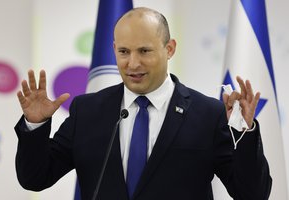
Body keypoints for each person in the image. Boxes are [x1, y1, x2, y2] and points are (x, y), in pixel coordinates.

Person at [15, 7, 272, 200]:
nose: (133, 64)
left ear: (169, 48)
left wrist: (244, 131)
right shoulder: (87, 111)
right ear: (114, 48)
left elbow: (252, 194)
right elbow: (36, 178)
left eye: (145, 51)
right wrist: (35, 125)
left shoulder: (208, 114)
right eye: (124, 52)